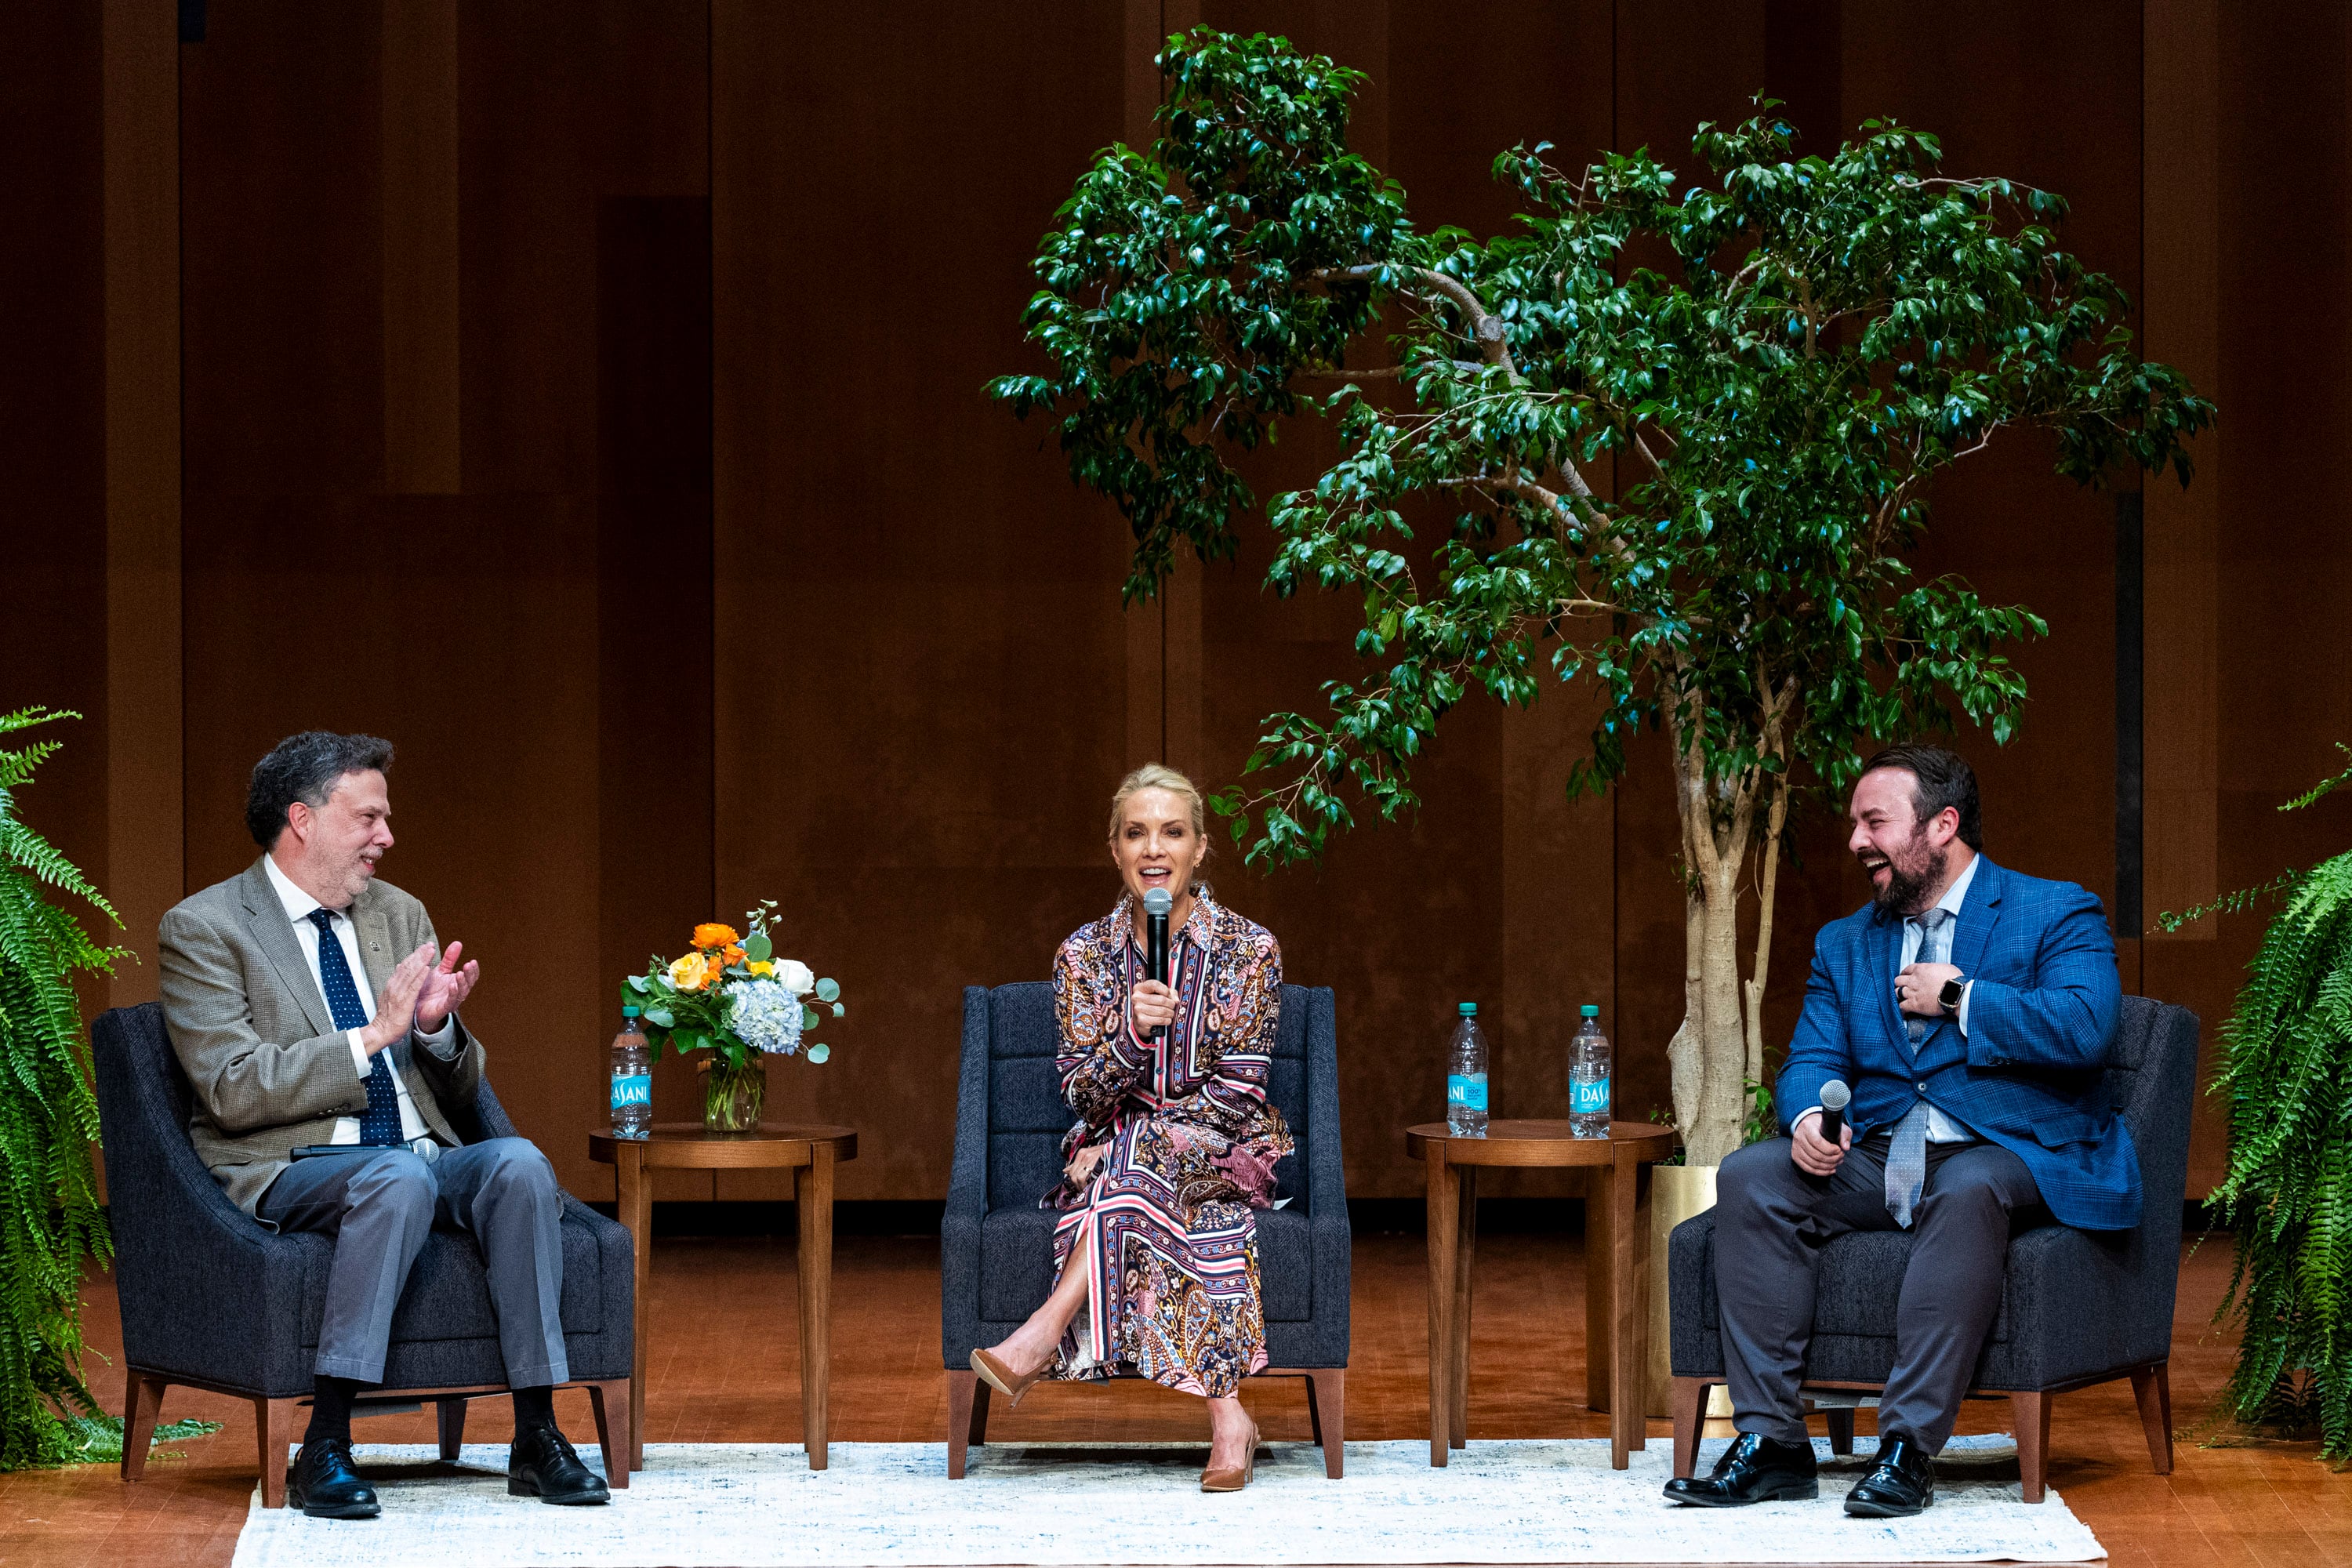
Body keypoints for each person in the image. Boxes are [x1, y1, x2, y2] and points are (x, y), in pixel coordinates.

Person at [1664, 743, 2135, 1518]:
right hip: (1880, 1149)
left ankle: (1907, 1446)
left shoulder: (2053, 910)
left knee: (1969, 1186)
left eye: (1874, 822)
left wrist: (1963, 996)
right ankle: (1775, 1442)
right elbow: (1810, 1054)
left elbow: (2088, 1025)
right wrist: (1812, 1114)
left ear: (1941, 825)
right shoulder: (1845, 941)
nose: (1856, 840)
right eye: (1855, 823)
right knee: (1752, 1173)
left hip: (2010, 1148)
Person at [158, 732, 609, 1519]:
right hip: (289, 1162)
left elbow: (462, 1085)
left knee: (520, 1165)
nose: (386, 837)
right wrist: (371, 1037)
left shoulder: (398, 913)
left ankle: (537, 1434)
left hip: (420, 1150)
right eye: (368, 817)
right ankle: (325, 1442)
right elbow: (230, 1089)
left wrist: (433, 1031)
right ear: (303, 819)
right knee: (392, 1173)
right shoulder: (206, 927)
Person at [968, 764, 1292, 1492]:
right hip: (1118, 1159)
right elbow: (1083, 1096)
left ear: (1200, 848)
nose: (1155, 848)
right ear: (1114, 850)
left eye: (1172, 832)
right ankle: (1229, 1419)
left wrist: (1142, 1131)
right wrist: (1129, 1036)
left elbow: (1241, 1093)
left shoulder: (1250, 950)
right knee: (1128, 1166)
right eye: (1137, 833)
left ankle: (1045, 1329)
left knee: (1132, 1150)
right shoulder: (1082, 956)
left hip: (1227, 1150)